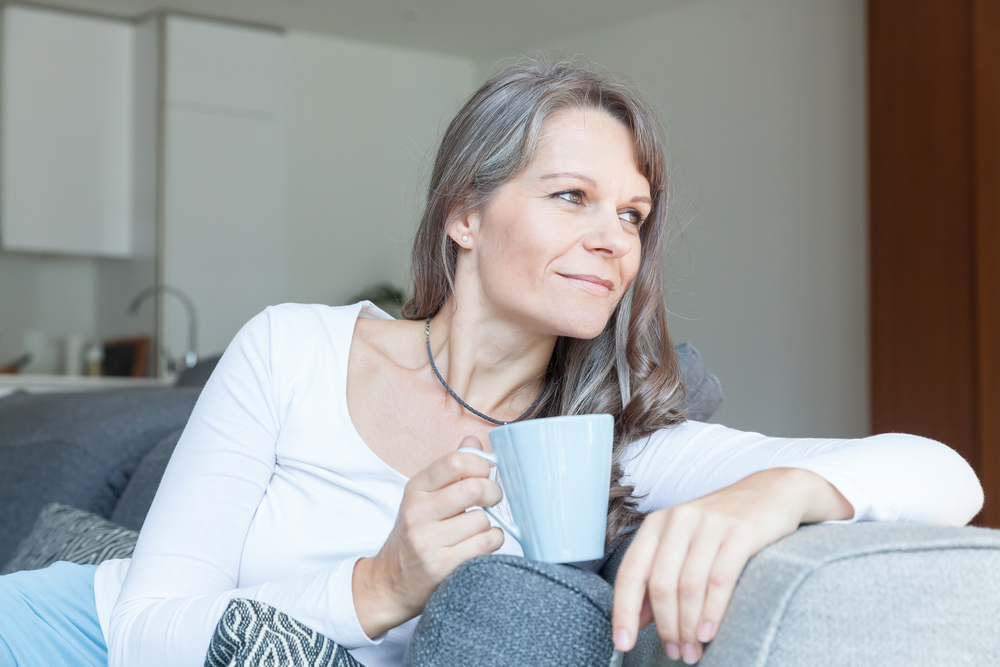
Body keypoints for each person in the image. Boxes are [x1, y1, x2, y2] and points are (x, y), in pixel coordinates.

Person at [0, 60, 983, 667]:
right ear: (464, 215)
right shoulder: (292, 349)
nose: (612, 238)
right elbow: (143, 631)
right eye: (570, 196)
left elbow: (948, 477)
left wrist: (769, 492)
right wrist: (380, 585)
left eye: (632, 214)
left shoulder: (606, 444)